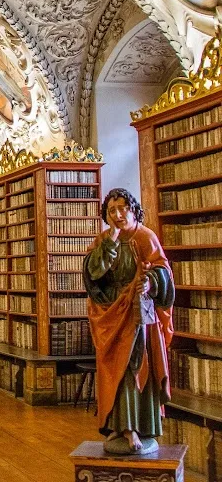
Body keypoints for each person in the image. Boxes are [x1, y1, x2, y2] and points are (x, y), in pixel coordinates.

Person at [83, 188, 174, 455]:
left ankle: (137, 427)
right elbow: (93, 273)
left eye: (123, 208)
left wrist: (150, 283)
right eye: (112, 211)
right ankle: (118, 426)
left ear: (133, 209)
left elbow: (163, 272)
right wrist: (110, 243)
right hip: (110, 314)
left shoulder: (145, 236)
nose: (118, 214)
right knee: (114, 369)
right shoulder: (103, 239)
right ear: (106, 215)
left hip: (138, 312)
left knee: (135, 366)